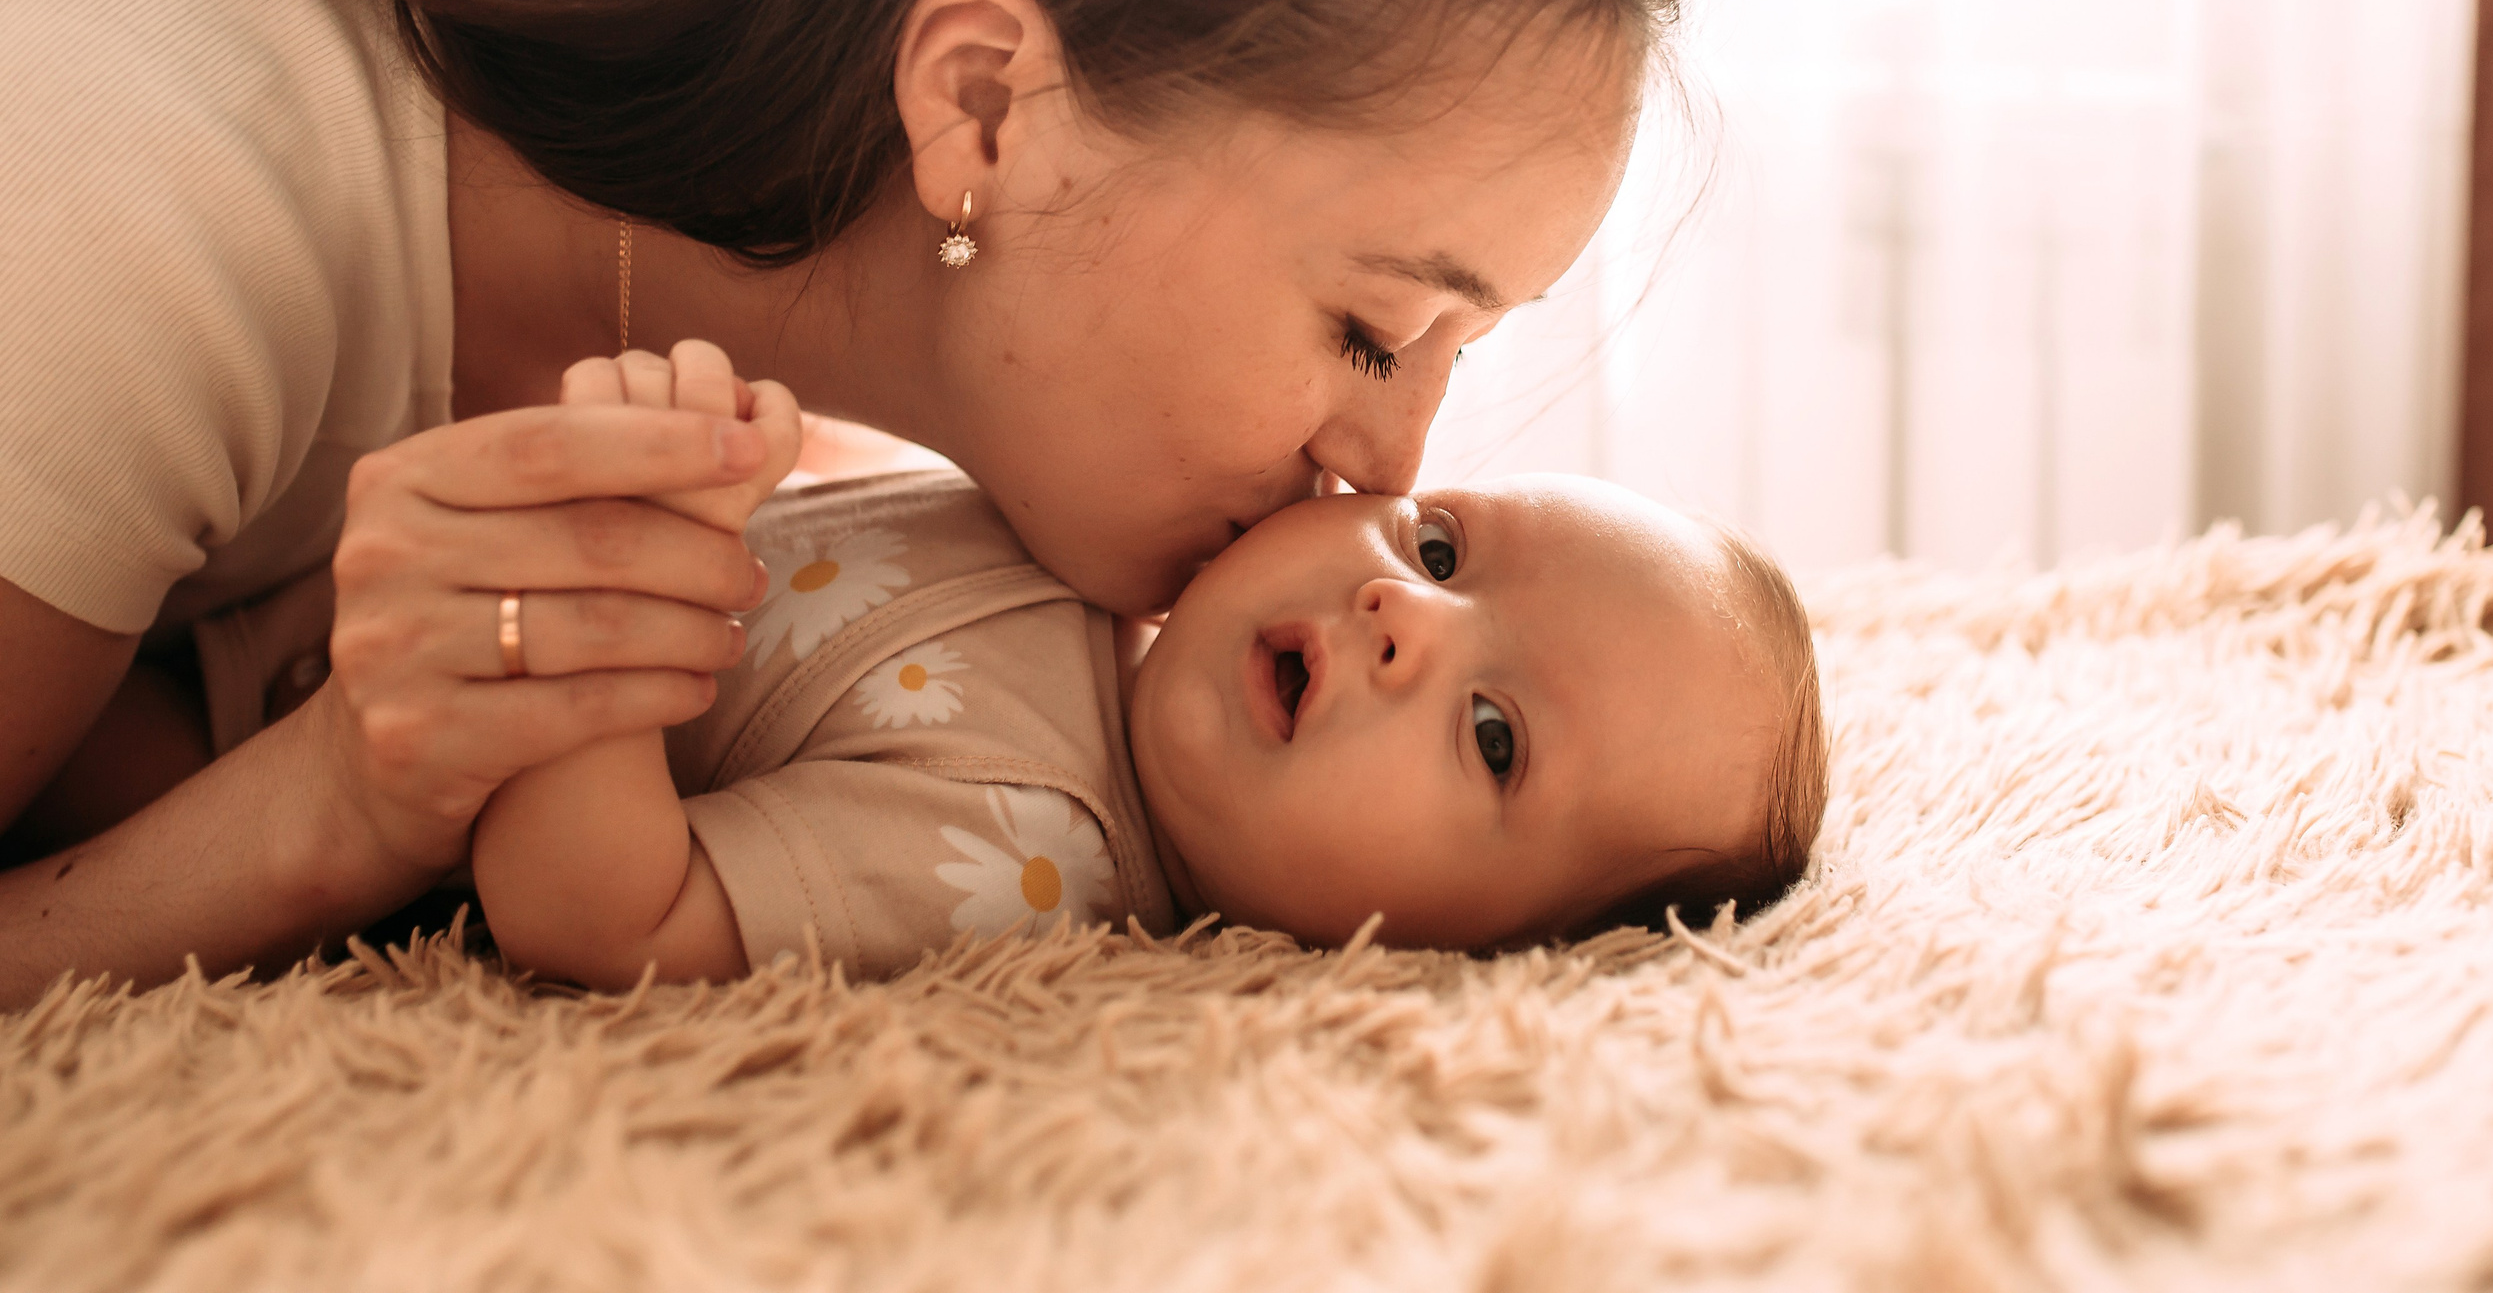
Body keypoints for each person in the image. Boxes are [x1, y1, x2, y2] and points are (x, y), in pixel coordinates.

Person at [0, 0, 1684, 1005]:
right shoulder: (136, 179)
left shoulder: (769, 407)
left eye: (1454, 357)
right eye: (1373, 332)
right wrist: (340, 798)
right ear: (983, 107)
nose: (1388, 473)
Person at [450, 342, 1825, 984]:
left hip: (312, 712)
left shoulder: (1014, 853)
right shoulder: (1111, 547)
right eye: (1448, 550)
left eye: (1496, 738)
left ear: (1462, 956)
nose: (1407, 614)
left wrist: (610, 567)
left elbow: (602, 918)